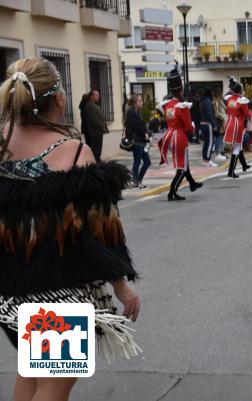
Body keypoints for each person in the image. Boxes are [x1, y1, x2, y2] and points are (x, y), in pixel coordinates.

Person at [0, 57, 140, 401]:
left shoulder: (1, 142)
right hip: (57, 291)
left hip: (8, 293)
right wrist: (122, 286)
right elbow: (101, 231)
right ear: (59, 98)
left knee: (32, 375)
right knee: (52, 389)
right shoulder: (74, 153)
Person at [157, 67, 203, 201]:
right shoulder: (182, 106)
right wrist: (193, 129)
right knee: (182, 167)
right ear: (181, 90)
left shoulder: (168, 104)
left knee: (183, 163)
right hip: (179, 137)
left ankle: (192, 183)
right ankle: (172, 191)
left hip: (169, 135)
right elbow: (188, 126)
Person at [224, 77, 252, 178]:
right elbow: (247, 113)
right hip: (237, 124)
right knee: (236, 147)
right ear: (240, 90)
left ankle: (243, 165)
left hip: (229, 122)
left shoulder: (229, 99)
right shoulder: (242, 100)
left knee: (238, 145)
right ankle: (231, 171)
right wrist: (250, 113)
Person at [125, 94, 151, 189]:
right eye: (140, 101)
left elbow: (141, 126)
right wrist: (145, 133)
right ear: (135, 103)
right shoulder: (131, 112)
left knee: (147, 162)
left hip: (141, 141)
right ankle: (135, 182)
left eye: (141, 100)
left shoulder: (137, 112)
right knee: (137, 161)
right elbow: (137, 127)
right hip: (136, 141)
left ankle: (138, 181)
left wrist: (147, 133)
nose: (142, 102)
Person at [83, 89, 108, 162]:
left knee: (98, 151)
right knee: (96, 151)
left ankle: (97, 163)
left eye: (98, 95)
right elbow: (94, 119)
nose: (98, 96)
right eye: (96, 95)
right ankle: (95, 165)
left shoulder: (94, 105)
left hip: (99, 131)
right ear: (91, 96)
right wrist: (102, 126)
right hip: (95, 132)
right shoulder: (89, 105)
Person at [199, 87, 218, 167]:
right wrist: (214, 125)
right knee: (210, 142)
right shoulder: (208, 101)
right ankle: (208, 160)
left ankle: (204, 160)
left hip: (202, 122)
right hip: (208, 124)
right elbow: (210, 114)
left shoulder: (202, 101)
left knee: (205, 143)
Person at [212, 88, 227, 161]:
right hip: (220, 121)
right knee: (219, 137)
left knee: (221, 137)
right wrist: (223, 116)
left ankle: (220, 152)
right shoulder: (216, 101)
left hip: (223, 121)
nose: (222, 94)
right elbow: (216, 112)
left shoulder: (220, 101)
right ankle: (218, 153)